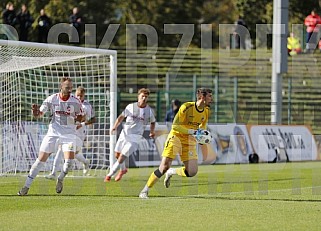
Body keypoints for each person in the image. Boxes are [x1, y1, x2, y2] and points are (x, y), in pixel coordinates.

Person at [139, 88, 213, 199]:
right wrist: (192, 131)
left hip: (190, 140)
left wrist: (201, 137)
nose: (211, 99)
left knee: (192, 172)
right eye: (209, 96)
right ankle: (144, 191)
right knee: (164, 166)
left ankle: (172, 172)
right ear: (202, 97)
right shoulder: (186, 107)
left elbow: (202, 126)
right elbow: (175, 126)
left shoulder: (206, 111)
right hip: (176, 137)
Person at [18, 77, 83, 196]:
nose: (69, 89)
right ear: (61, 87)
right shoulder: (52, 98)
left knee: (69, 163)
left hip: (68, 134)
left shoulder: (75, 101)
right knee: (40, 161)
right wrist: (35, 112)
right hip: (53, 133)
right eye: (67, 87)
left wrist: (78, 119)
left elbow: (81, 117)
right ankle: (26, 187)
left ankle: (60, 179)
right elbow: (39, 114)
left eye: (71, 87)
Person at [104, 88, 156, 182]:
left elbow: (153, 122)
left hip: (135, 138)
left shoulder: (149, 111)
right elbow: (121, 117)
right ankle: (123, 170)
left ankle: (109, 175)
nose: (144, 98)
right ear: (138, 97)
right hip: (124, 134)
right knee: (117, 154)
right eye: (142, 96)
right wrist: (115, 126)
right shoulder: (130, 107)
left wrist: (152, 132)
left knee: (121, 157)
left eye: (146, 97)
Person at [45, 86, 95, 180]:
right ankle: (53, 173)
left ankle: (85, 162)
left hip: (80, 132)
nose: (79, 98)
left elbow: (93, 119)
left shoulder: (87, 105)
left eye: (81, 96)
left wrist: (83, 124)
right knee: (61, 150)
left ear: (84, 96)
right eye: (78, 95)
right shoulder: (71, 102)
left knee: (73, 154)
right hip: (69, 130)